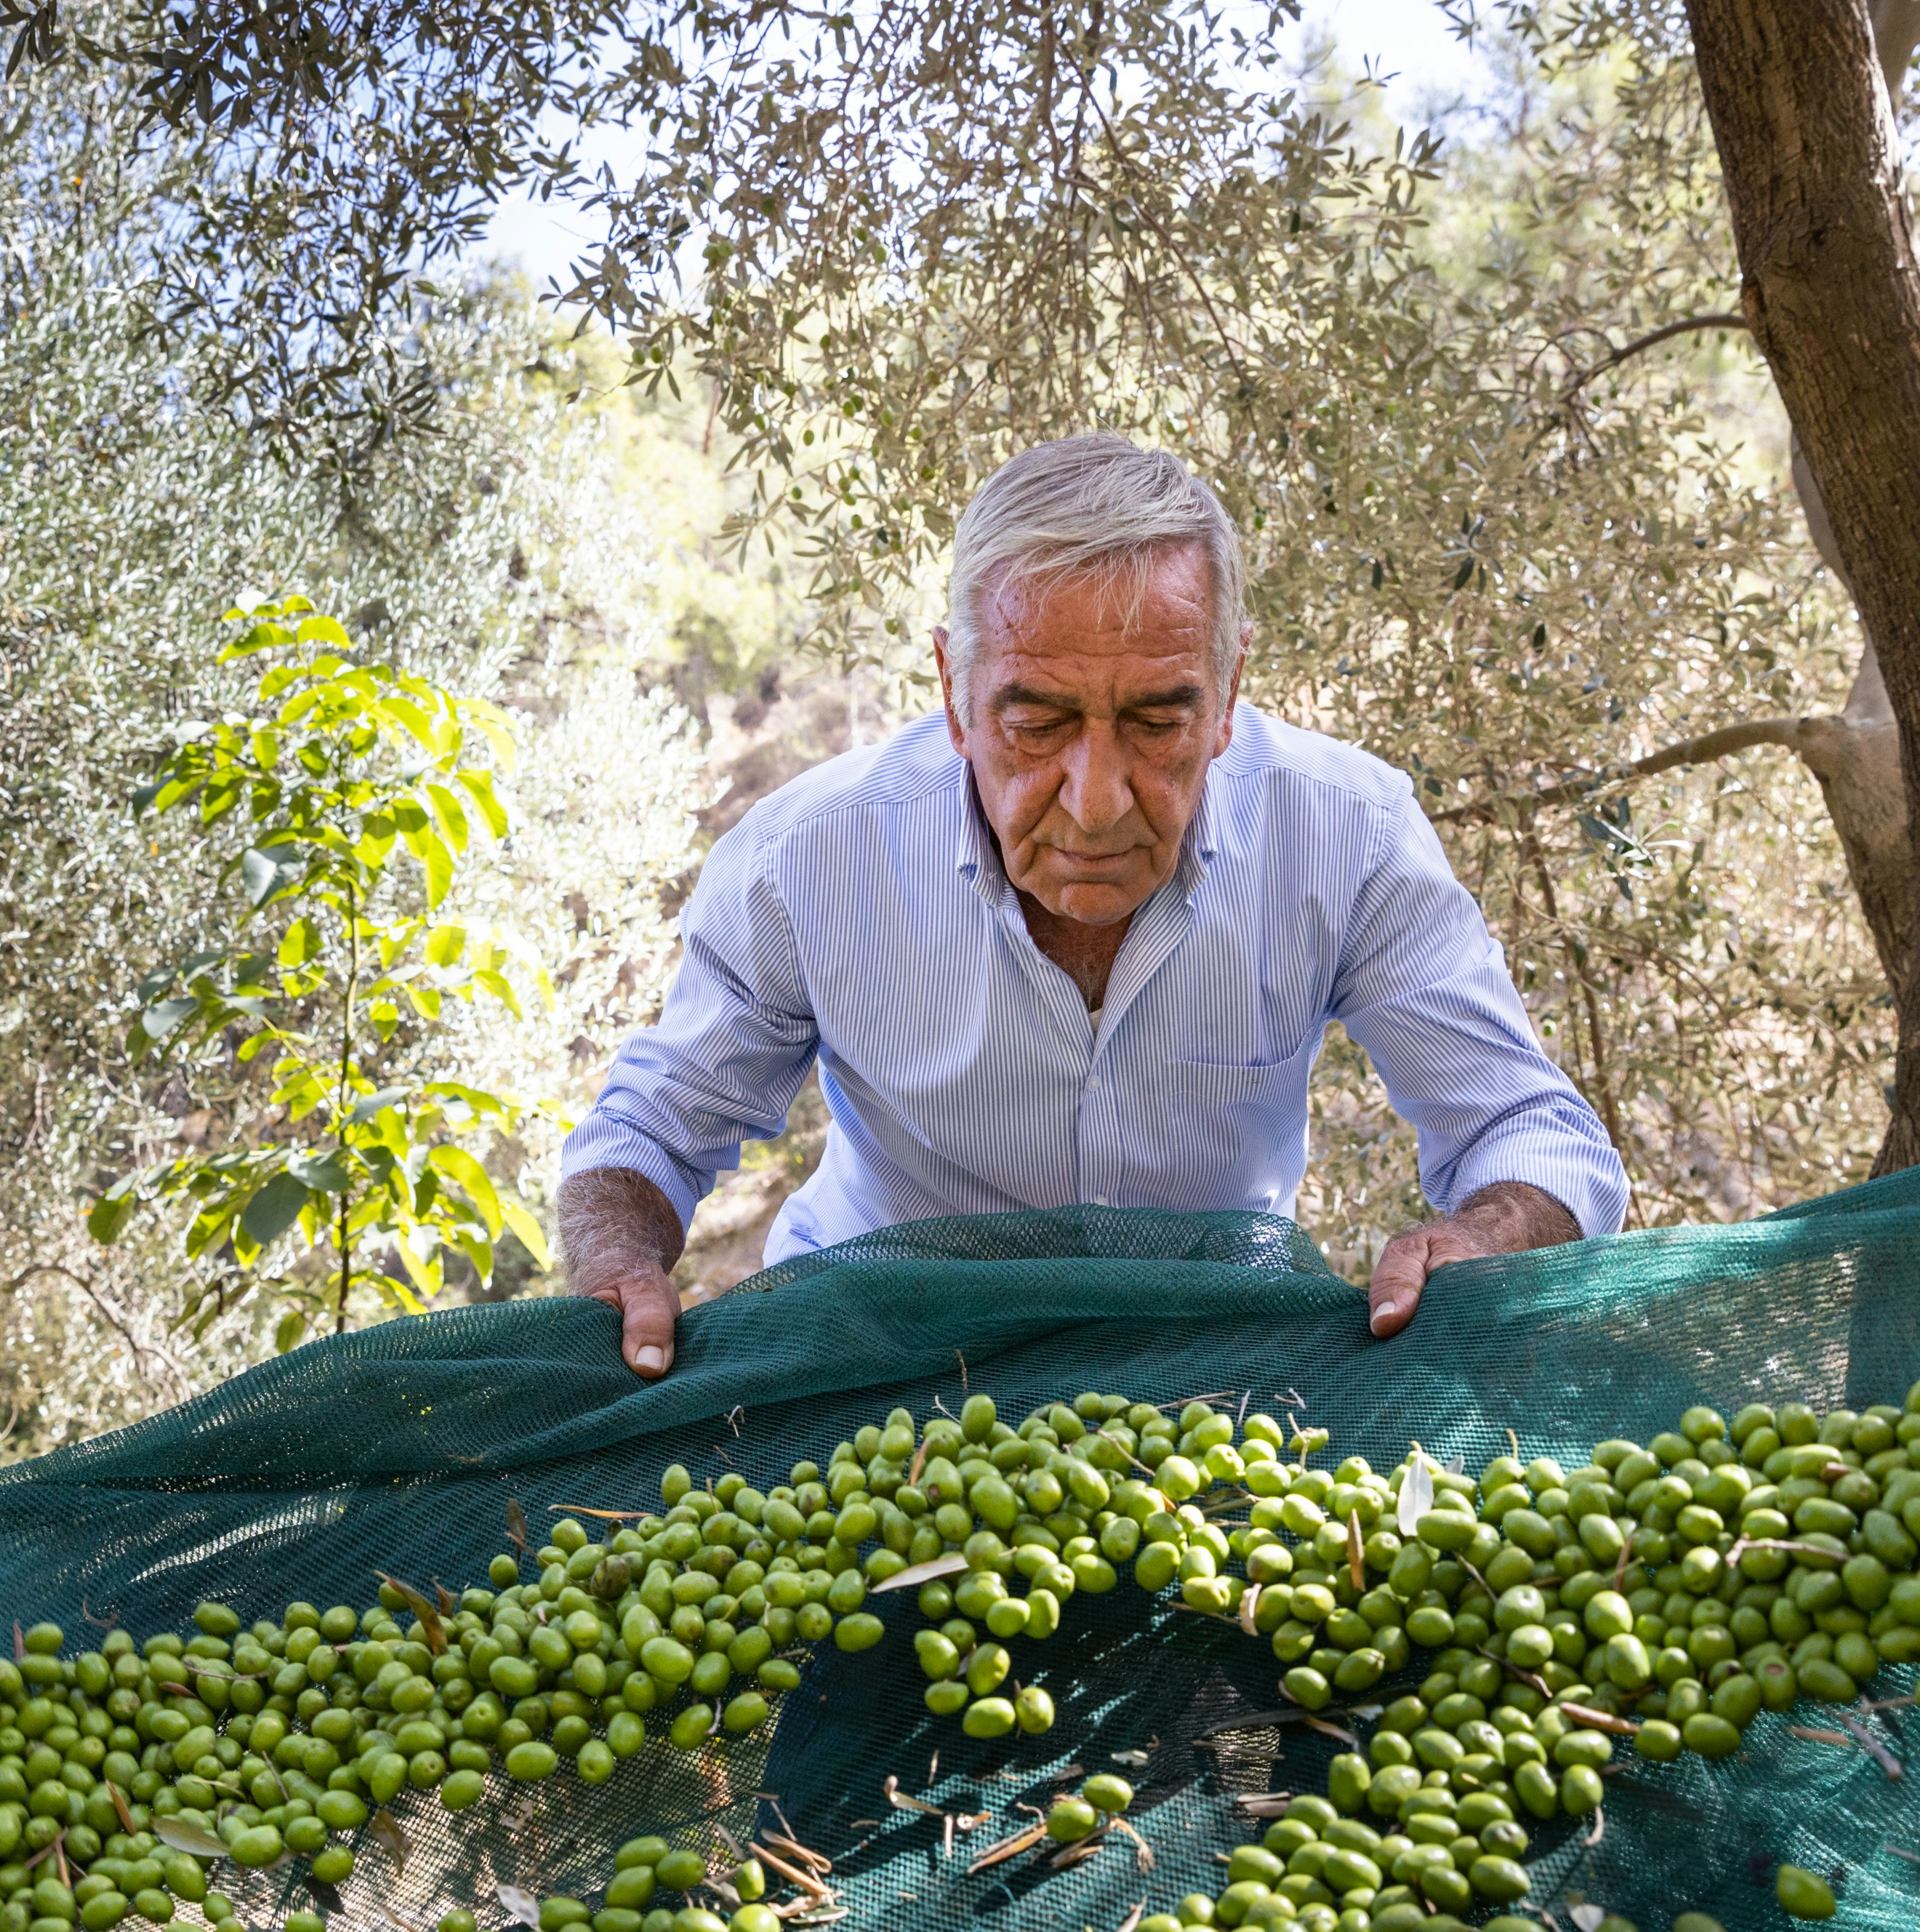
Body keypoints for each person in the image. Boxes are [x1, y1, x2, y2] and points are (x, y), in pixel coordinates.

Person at [560, 433, 1630, 1377]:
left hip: (1207, 1381)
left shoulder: (1345, 834)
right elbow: (655, 1125)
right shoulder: (805, 860)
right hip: (877, 1375)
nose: (1098, 798)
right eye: (1038, 721)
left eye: (1159, 720)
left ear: (1229, 693)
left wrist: (1486, 1233)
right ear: (953, 692)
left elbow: (1534, 1132)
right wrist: (617, 1256)